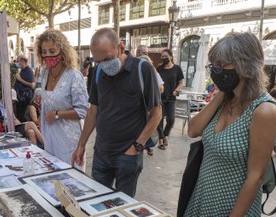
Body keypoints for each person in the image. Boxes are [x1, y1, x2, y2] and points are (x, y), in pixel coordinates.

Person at [183, 32, 276, 217]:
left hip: (231, 211)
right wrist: (222, 93)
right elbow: (193, 130)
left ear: (245, 66)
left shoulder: (264, 110)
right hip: (202, 201)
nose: (216, 71)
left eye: (223, 65)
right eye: (213, 65)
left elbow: (256, 174)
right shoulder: (226, 99)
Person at [71, 28, 162, 197]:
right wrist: (82, 144)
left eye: (107, 59)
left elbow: (156, 113)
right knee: (96, 202)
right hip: (101, 152)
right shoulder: (98, 71)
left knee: (123, 206)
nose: (103, 65)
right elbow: (93, 110)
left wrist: (137, 146)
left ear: (120, 47)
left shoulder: (143, 70)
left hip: (128, 154)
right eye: (98, 61)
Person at [35, 29, 89, 164]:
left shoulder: (74, 75)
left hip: (68, 140)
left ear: (62, 50)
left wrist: (58, 114)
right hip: (48, 137)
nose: (48, 56)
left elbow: (83, 110)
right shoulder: (44, 74)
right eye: (44, 52)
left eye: (52, 51)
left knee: (68, 181)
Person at [156, 49, 184, 150]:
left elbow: (181, 82)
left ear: (171, 56)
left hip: (171, 98)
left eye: (166, 56)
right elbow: (156, 81)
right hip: (160, 98)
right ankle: (161, 140)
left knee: (171, 119)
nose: (164, 58)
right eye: (162, 56)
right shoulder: (159, 68)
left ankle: (165, 135)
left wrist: (176, 90)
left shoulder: (177, 69)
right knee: (159, 119)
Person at [13, 55, 35, 122]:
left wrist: (20, 79)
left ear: (23, 61)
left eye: (18, 61)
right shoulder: (21, 70)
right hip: (19, 97)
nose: (17, 63)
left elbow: (31, 85)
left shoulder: (29, 71)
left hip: (24, 98)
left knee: (22, 116)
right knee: (19, 115)